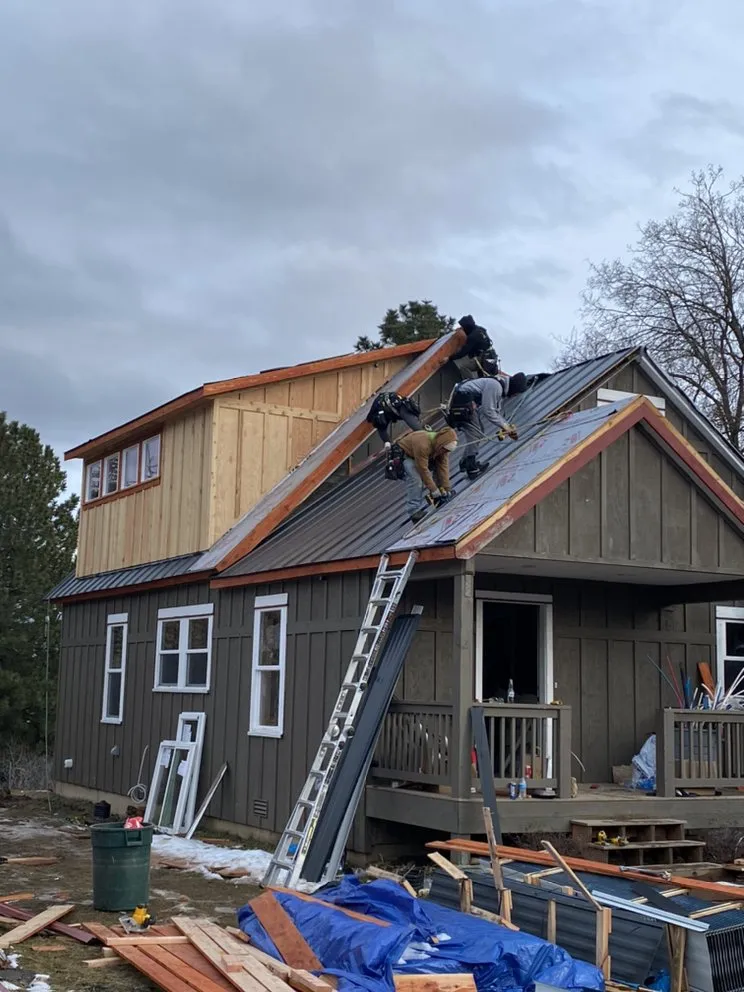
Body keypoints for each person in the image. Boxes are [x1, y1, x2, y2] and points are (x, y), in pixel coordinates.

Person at [446, 376, 519, 479]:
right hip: (462, 403)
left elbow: (495, 411)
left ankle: (465, 462)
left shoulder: (498, 384)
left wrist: (506, 425)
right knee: (475, 434)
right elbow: (488, 411)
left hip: (463, 402)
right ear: (514, 388)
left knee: (478, 432)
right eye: (516, 393)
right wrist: (505, 427)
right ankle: (471, 468)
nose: (515, 395)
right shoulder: (496, 386)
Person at [397, 427, 458, 523]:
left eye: (447, 451)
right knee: (416, 479)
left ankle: (439, 496)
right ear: (441, 444)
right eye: (444, 450)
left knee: (439, 467)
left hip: (421, 457)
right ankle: (414, 511)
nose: (445, 452)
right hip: (405, 456)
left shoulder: (442, 448)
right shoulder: (423, 444)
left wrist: (446, 488)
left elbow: (443, 467)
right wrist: (433, 490)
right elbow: (423, 470)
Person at [452, 314, 498, 380]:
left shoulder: (473, 336)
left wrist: (451, 358)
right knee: (483, 377)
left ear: (467, 327)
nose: (462, 329)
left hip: (484, 358)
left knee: (464, 367)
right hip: (491, 356)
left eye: (463, 327)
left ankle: (470, 383)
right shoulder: (480, 329)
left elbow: (464, 351)